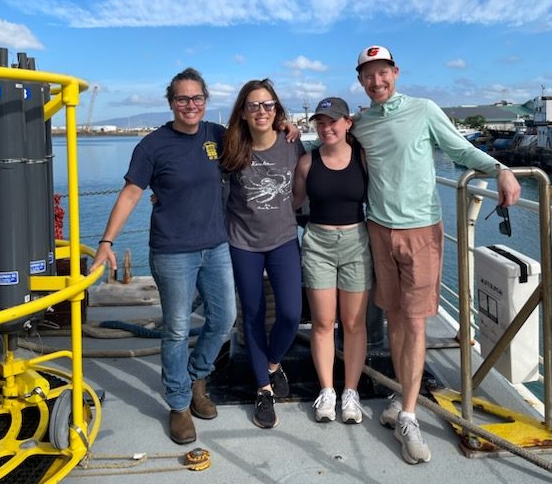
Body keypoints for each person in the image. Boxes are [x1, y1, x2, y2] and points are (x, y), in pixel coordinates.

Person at [353, 45, 521, 464]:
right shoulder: (362, 124)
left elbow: (459, 151)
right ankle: (401, 393)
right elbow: (330, 144)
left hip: (422, 230)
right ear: (361, 81)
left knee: (413, 319)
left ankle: (409, 413)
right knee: (393, 315)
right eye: (368, 76)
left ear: (396, 72)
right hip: (378, 228)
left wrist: (500, 168)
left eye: (383, 72)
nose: (377, 82)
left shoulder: (424, 109)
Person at [90, 68, 237, 445]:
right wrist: (106, 242)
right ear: (171, 103)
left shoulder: (217, 136)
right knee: (174, 328)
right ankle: (178, 404)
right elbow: (131, 194)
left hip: (216, 246)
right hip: (173, 252)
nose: (190, 105)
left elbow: (257, 136)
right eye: (182, 99)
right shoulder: (152, 146)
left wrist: (286, 127)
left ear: (206, 101)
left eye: (197, 98)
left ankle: (197, 378)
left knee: (223, 319)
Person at [220, 79, 305, 429]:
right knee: (252, 315)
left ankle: (272, 363)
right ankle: (264, 389)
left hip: (284, 238)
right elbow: (198, 175)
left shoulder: (293, 144)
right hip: (243, 243)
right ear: (242, 111)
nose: (261, 111)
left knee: (290, 312)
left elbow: (331, 154)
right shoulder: (231, 147)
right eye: (254, 105)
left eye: (268, 105)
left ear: (277, 110)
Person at [293, 97, 372, 425]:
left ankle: (350, 392)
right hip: (318, 245)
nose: (327, 128)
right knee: (323, 323)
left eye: (333, 122)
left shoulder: (363, 159)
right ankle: (327, 390)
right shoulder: (307, 163)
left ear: (347, 123)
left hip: (357, 242)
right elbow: (293, 203)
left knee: (354, 323)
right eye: (320, 123)